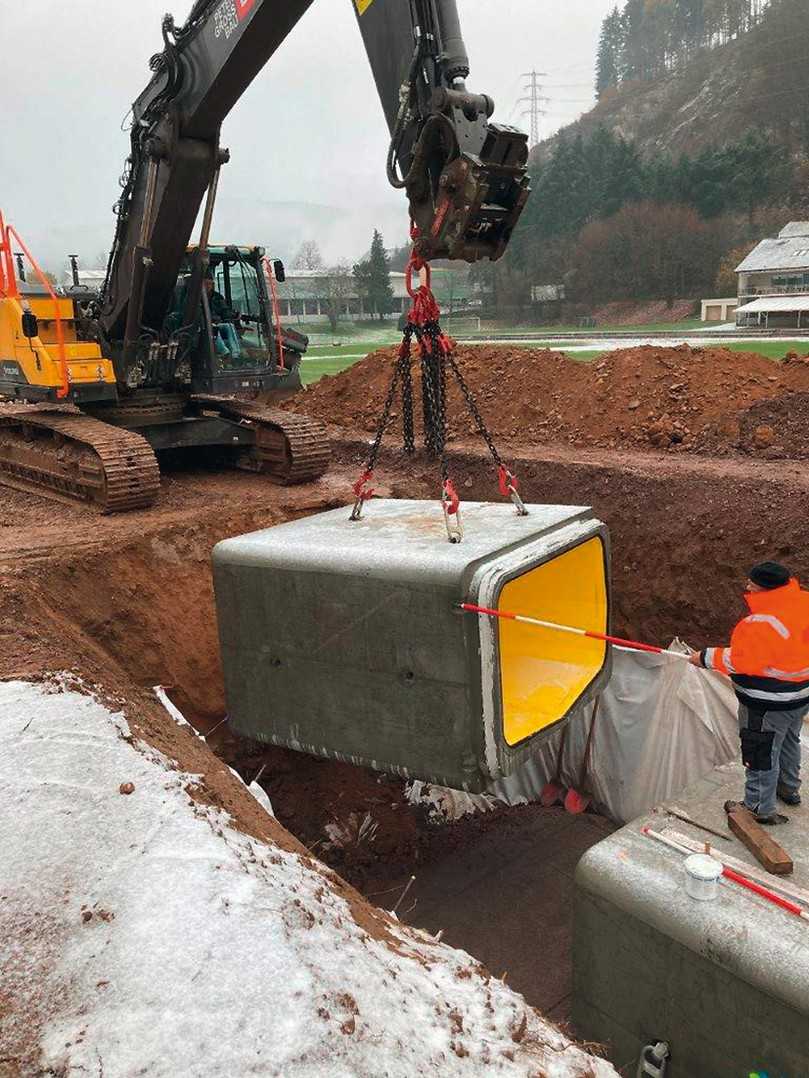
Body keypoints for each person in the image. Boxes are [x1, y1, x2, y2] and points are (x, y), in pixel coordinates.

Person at [690, 562, 809, 824]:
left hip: (767, 703)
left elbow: (743, 660)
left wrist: (705, 657)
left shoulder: (762, 623)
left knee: (760, 751)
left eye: (751, 584)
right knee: (788, 741)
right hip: (800, 695)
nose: (746, 587)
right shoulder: (804, 602)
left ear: (765, 588)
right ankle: (788, 789)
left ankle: (758, 807)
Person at [203, 274, 242, 361]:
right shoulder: (196, 298)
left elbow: (225, 310)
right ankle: (224, 352)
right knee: (214, 329)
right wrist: (211, 320)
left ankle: (235, 354)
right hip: (204, 325)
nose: (208, 286)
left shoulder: (218, 297)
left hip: (218, 323)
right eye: (205, 284)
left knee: (229, 326)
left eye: (209, 284)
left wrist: (233, 314)